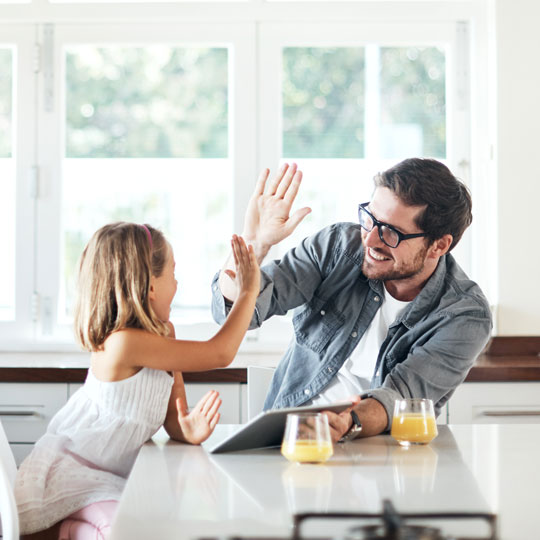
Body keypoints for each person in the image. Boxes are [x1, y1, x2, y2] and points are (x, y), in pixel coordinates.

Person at [212, 158, 492, 442]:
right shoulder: (337, 247)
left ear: (439, 245)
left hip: (379, 455)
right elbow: (237, 315)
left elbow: (403, 397)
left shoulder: (463, 314)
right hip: (290, 440)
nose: (370, 240)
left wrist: (348, 423)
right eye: (369, 219)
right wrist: (254, 244)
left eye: (391, 233)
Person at [15, 222, 259, 539]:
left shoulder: (164, 335)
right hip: (73, 472)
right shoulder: (123, 343)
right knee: (126, 530)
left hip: (109, 477)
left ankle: (70, 531)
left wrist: (188, 429)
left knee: (145, 523)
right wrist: (248, 292)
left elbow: (175, 419)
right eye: (173, 273)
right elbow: (219, 354)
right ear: (151, 286)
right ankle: (65, 530)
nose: (177, 283)